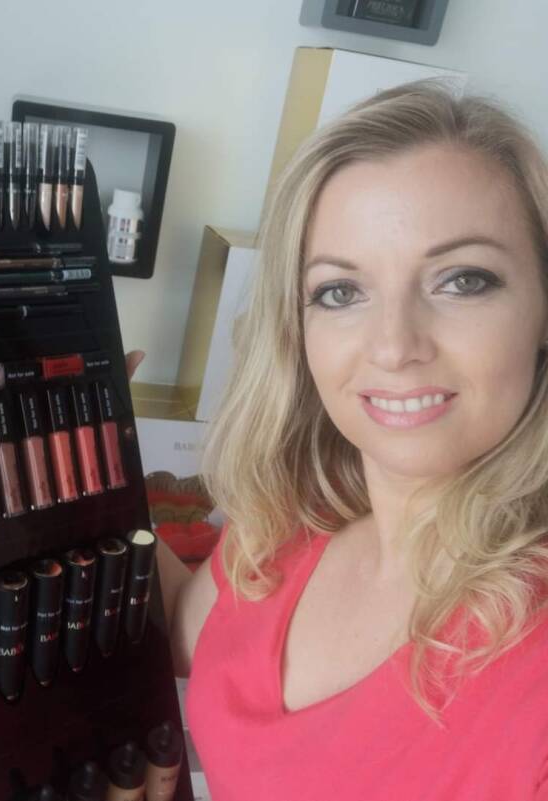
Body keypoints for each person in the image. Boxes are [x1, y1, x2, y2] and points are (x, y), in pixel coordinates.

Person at [146, 80, 548, 799]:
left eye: (463, 280)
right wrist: (86, 454)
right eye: (340, 291)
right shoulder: (284, 531)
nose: (393, 346)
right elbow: (183, 629)